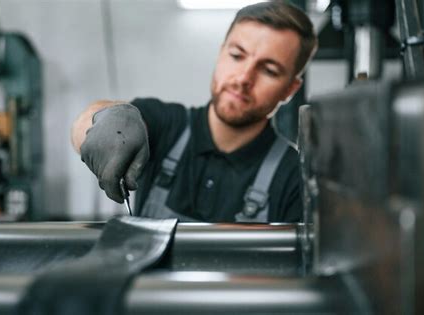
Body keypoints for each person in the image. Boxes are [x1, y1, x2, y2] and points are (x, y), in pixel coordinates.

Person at [71, 1, 318, 223]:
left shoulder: (294, 177)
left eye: (269, 70)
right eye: (236, 55)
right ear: (221, 53)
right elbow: (84, 125)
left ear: (290, 90)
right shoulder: (166, 125)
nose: (244, 77)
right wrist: (107, 120)